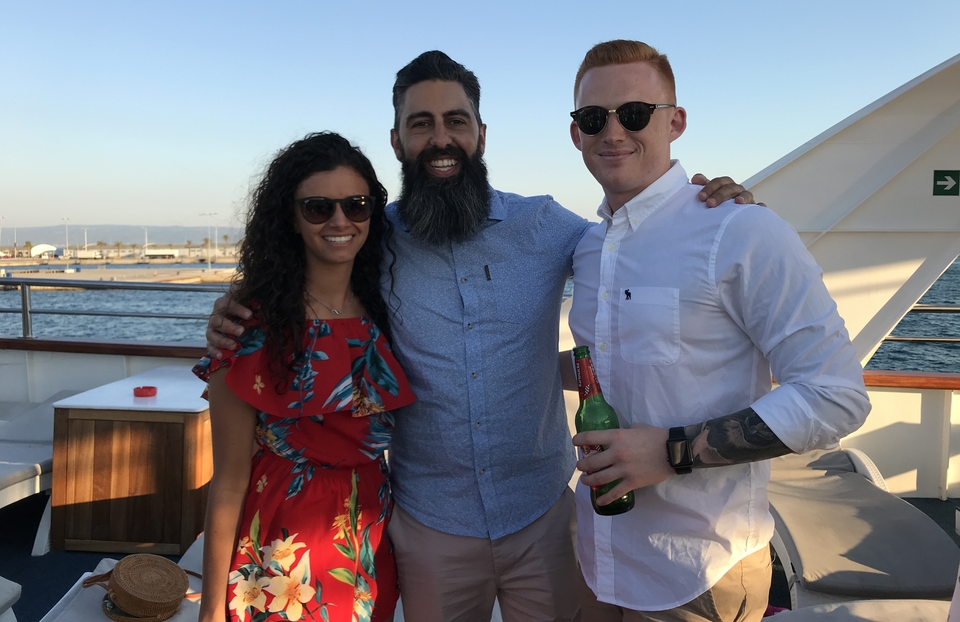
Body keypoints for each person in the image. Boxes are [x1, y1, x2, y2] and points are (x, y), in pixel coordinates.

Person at [206, 51, 753, 622]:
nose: (440, 138)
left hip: (541, 517)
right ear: (397, 140)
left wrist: (705, 204)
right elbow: (307, 259)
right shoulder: (371, 234)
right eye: (421, 124)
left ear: (481, 135)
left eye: (456, 121)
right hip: (429, 528)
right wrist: (239, 301)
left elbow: (633, 244)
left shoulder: (543, 226)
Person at [566, 40, 871, 622]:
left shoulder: (740, 231)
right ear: (575, 133)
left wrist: (672, 451)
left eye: (634, 113)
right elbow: (601, 358)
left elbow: (837, 397)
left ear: (674, 122)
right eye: (592, 118)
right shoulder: (589, 246)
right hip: (597, 560)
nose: (613, 132)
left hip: (697, 573)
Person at [195, 132, 416, 622]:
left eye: (356, 205)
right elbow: (229, 481)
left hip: (367, 537)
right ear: (290, 218)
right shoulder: (250, 327)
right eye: (318, 207)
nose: (340, 221)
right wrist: (210, 610)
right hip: (279, 548)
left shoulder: (389, 309)